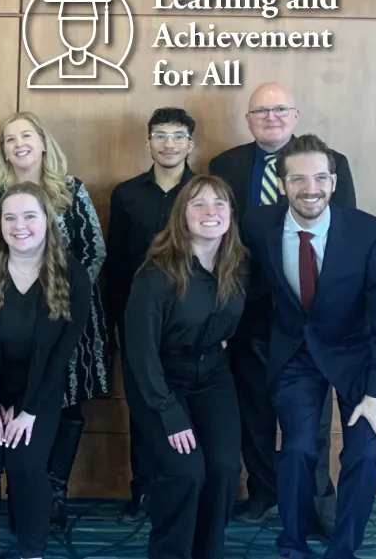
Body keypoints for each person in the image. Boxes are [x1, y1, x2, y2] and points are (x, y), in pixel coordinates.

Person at [240, 134, 376, 559]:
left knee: (366, 457)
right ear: (283, 184)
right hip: (295, 354)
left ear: (333, 182)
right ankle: (291, 543)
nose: (309, 188)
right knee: (295, 450)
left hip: (358, 359)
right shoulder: (257, 225)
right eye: (298, 179)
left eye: (319, 178)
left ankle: (342, 551)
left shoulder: (372, 234)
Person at [208, 82, 356, 533]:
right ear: (249, 119)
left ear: (295, 116)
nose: (270, 117)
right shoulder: (226, 164)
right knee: (253, 411)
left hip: (310, 316)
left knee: (309, 418)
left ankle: (314, 500)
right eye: (260, 111)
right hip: (251, 314)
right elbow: (221, 241)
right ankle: (263, 493)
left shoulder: (330, 164)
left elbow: (343, 235)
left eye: (279, 109)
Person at [0, 111, 108, 530]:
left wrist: (62, 297)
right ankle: (21, 487)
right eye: (9, 139)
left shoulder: (72, 191)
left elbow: (94, 249)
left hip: (66, 315)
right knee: (12, 393)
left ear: (44, 142)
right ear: (3, 150)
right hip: (6, 316)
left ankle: (55, 489)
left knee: (65, 401)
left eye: (26, 135)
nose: (18, 144)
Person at [0, 181, 89, 559]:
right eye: (9, 217)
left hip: (39, 390)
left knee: (26, 465)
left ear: (48, 220)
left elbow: (63, 353)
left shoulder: (72, 274)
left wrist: (28, 410)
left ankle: (32, 550)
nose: (19, 225)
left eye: (29, 215)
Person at [123, 175, 247, 559]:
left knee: (225, 469)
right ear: (182, 215)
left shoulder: (239, 265)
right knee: (186, 472)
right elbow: (140, 353)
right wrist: (169, 413)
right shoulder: (156, 274)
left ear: (230, 214)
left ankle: (208, 552)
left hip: (213, 376)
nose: (210, 212)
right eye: (198, 204)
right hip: (160, 380)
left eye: (219, 204)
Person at [104, 107, 197, 522]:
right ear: (148, 142)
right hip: (138, 320)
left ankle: (184, 489)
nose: (169, 143)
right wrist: (111, 321)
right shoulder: (126, 193)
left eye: (178, 136)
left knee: (187, 406)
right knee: (143, 406)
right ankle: (142, 490)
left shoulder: (206, 192)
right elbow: (117, 262)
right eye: (160, 135)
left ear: (190, 144)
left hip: (191, 320)